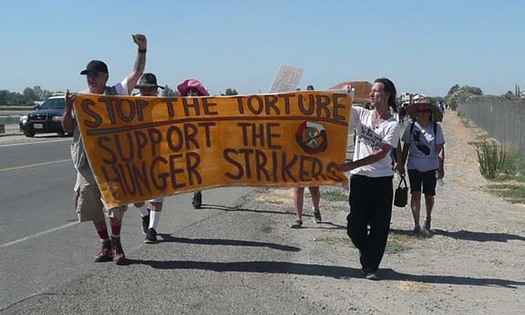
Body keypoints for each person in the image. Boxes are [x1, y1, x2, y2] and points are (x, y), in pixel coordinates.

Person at [62, 34, 148, 264]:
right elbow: (68, 128)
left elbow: (136, 74)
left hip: (112, 162)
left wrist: (142, 50)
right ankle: (105, 244)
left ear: (105, 77)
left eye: (95, 75)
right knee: (89, 203)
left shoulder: (116, 93)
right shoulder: (81, 99)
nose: (91, 78)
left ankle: (117, 242)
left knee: (116, 203)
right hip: (86, 164)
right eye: (88, 75)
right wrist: (67, 109)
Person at [339, 78, 401, 280]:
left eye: (377, 91)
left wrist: (350, 165)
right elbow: (341, 111)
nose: (373, 94)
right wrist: (346, 95)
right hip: (360, 180)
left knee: (379, 225)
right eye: (372, 91)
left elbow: (381, 153)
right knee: (354, 226)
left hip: (381, 181)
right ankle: (368, 252)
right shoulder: (361, 114)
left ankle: (370, 266)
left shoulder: (393, 125)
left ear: (387, 95)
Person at [396, 101, 445, 236]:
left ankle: (428, 217)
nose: (422, 114)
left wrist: (441, 167)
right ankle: (416, 224)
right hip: (414, 167)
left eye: (425, 111)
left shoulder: (436, 128)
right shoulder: (411, 128)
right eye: (419, 111)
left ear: (430, 114)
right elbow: (406, 147)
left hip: (431, 167)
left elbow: (440, 149)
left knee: (429, 195)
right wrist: (401, 165)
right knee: (415, 194)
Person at [132, 73, 165, 244]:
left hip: (159, 155)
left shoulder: (162, 105)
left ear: (155, 90)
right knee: (135, 195)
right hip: (136, 155)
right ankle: (145, 215)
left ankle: (152, 229)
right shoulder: (129, 104)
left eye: (150, 89)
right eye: (144, 89)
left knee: (157, 195)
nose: (147, 92)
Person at [290, 84, 322, 228]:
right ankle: (298, 218)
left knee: (314, 188)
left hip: (314, 157)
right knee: (298, 188)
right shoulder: (296, 115)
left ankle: (316, 209)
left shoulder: (319, 115)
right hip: (298, 157)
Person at [176, 79, 209, 209]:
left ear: (198, 93)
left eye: (193, 91)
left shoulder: (205, 107)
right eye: (188, 91)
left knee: (198, 169)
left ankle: (197, 192)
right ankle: (196, 190)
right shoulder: (180, 108)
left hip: (201, 142)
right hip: (186, 142)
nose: (191, 93)